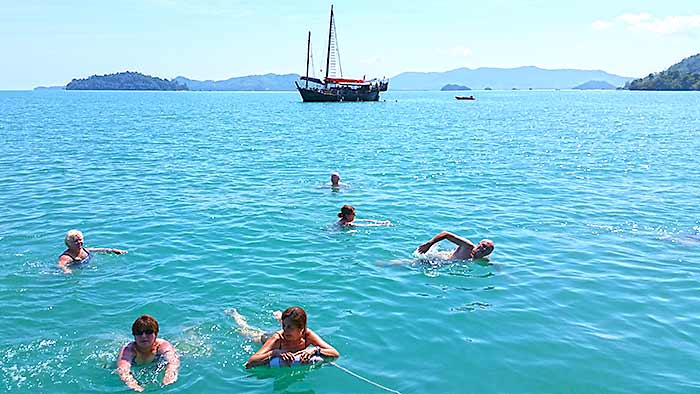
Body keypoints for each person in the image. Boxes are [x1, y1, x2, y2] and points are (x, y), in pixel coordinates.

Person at [239, 306, 340, 369]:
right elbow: (251, 361)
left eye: (289, 327)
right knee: (249, 332)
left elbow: (335, 353)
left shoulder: (307, 335)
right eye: (284, 326)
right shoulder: (278, 338)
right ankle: (238, 319)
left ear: (302, 329)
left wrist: (314, 350)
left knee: (288, 323)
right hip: (268, 338)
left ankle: (281, 318)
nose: (285, 330)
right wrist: (275, 353)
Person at [116, 315, 180, 392]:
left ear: (156, 334)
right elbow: (122, 370)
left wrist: (168, 377)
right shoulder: (129, 350)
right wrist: (133, 385)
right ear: (134, 336)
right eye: (139, 333)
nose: (144, 336)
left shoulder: (162, 346)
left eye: (148, 332)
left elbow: (173, 363)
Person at [57, 229, 127, 274]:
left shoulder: (84, 250)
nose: (79, 242)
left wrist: (112, 250)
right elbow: (60, 265)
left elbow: (99, 249)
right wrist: (66, 270)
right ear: (69, 243)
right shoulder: (66, 257)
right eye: (76, 241)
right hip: (77, 269)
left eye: (80, 240)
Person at [417, 231, 494, 260]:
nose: (484, 249)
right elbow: (446, 234)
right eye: (483, 246)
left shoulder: (482, 259)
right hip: (438, 259)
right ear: (478, 244)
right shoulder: (468, 247)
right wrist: (429, 244)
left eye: (488, 249)